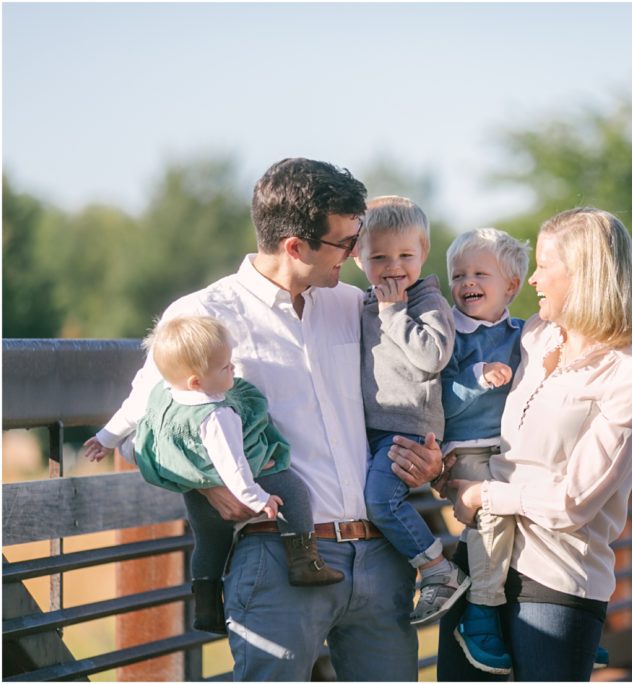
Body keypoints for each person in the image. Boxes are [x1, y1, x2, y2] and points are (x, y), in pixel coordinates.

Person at [84, 158, 442, 681]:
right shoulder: (204, 315)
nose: (356, 254)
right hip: (275, 557)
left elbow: (408, 390)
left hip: (379, 555)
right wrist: (207, 483)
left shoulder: (357, 305)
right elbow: (142, 433)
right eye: (345, 243)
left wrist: (427, 456)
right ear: (295, 246)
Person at [402, 207, 632, 681]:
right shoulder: (535, 337)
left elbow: (575, 502)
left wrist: (483, 495)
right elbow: (472, 414)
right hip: (479, 562)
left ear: (584, 273)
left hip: (555, 579)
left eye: (545, 266)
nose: (533, 280)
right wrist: (444, 468)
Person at [83, 315, 343, 635]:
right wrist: (258, 498)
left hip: (195, 488)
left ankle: (206, 605)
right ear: (196, 382)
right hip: (240, 480)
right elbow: (234, 467)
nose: (233, 369)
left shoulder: (162, 392)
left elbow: (130, 414)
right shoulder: (218, 416)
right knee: (294, 491)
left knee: (209, 540)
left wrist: (105, 439)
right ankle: (304, 561)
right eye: (225, 367)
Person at [354, 195, 469, 625]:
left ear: (423, 252)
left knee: (380, 500)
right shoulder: (362, 304)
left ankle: (437, 568)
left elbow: (431, 356)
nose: (393, 266)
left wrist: (393, 311)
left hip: (406, 429)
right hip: (372, 427)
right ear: (357, 258)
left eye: (405, 254)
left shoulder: (426, 301)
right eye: (379, 256)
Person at [439, 228, 530, 674]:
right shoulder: (451, 337)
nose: (466, 282)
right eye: (458, 275)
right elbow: (440, 404)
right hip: (466, 449)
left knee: (538, 510)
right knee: (492, 513)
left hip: (514, 447)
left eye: (479, 273)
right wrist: (475, 378)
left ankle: (552, 618)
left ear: (511, 286)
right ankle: (480, 611)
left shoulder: (525, 335)